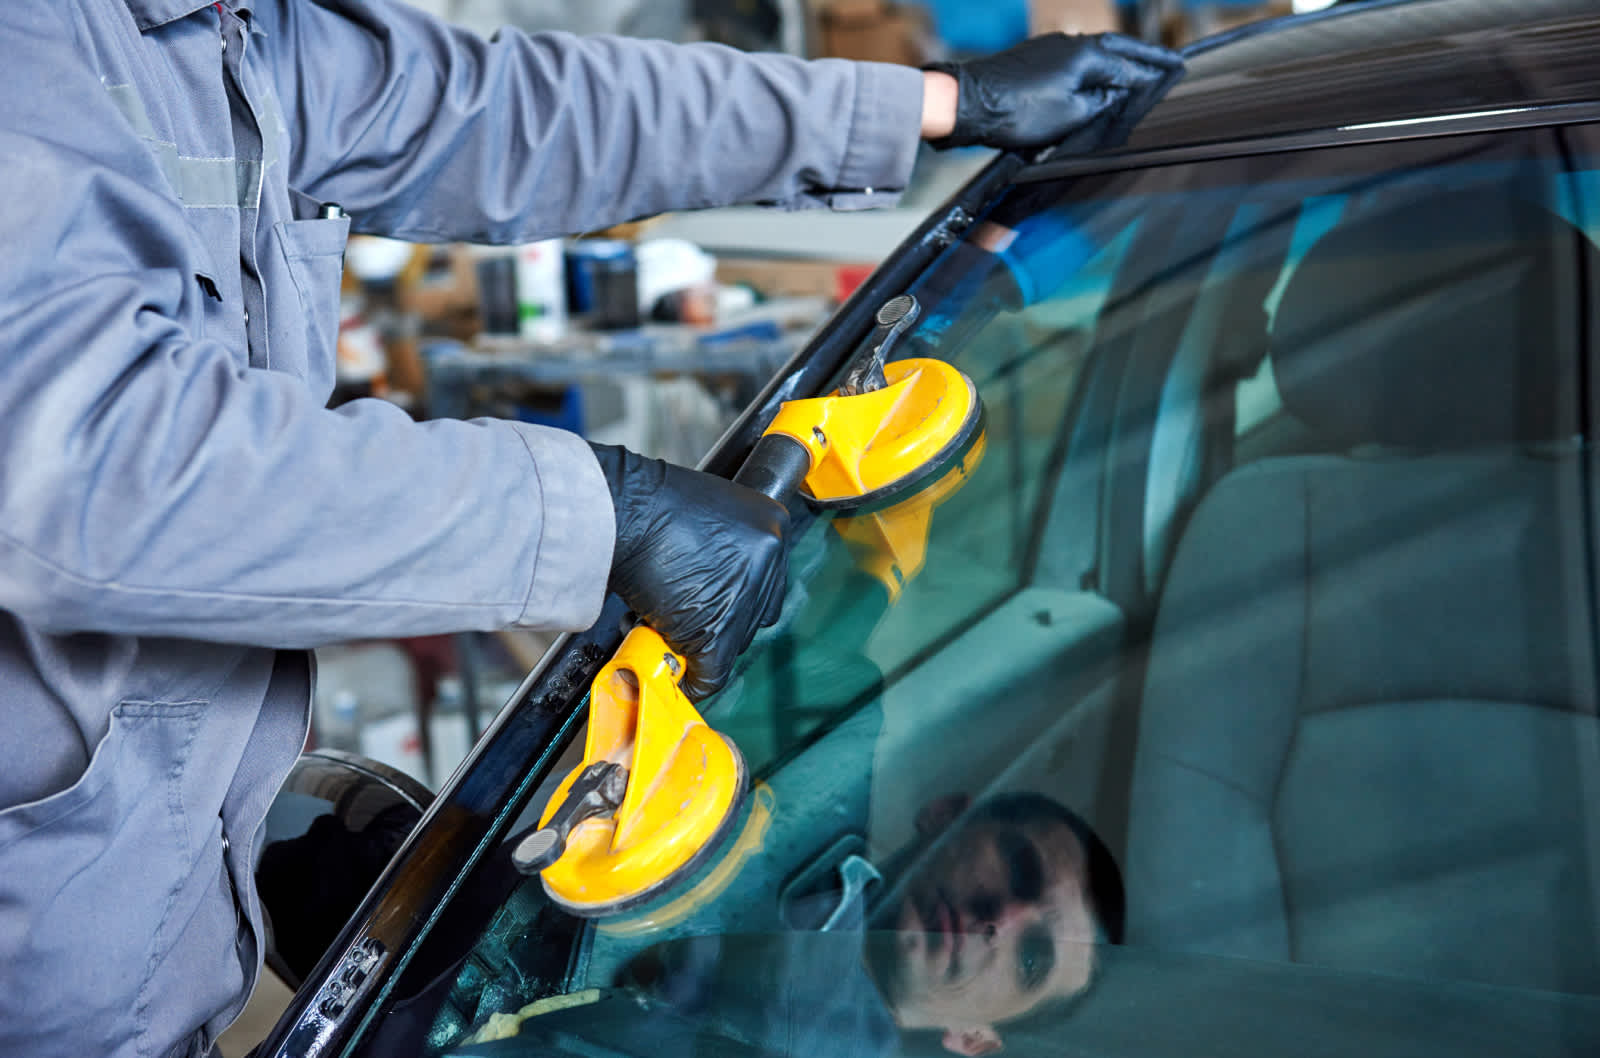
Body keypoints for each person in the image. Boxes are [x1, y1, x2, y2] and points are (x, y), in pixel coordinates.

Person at [0, 4, 1179, 1057]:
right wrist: (600, 508)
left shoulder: (236, 34)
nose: (999, 918)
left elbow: (507, 108)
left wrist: (932, 104)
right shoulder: (43, 44)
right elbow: (90, 467)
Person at [601, 792, 1122, 1058]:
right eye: (1020, 865)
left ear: (976, 1041)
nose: (1000, 922)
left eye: (1031, 958)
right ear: (947, 813)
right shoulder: (819, 781)